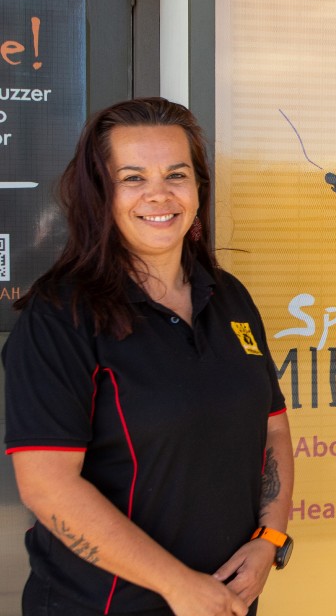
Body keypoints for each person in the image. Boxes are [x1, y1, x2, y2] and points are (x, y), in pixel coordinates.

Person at [3, 98, 294, 616]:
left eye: (176, 174)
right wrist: (178, 586)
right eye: (132, 177)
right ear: (101, 194)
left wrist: (268, 538)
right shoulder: (60, 317)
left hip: (224, 602)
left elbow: (271, 428)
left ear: (197, 187)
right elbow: (47, 487)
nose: (159, 194)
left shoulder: (228, 298)